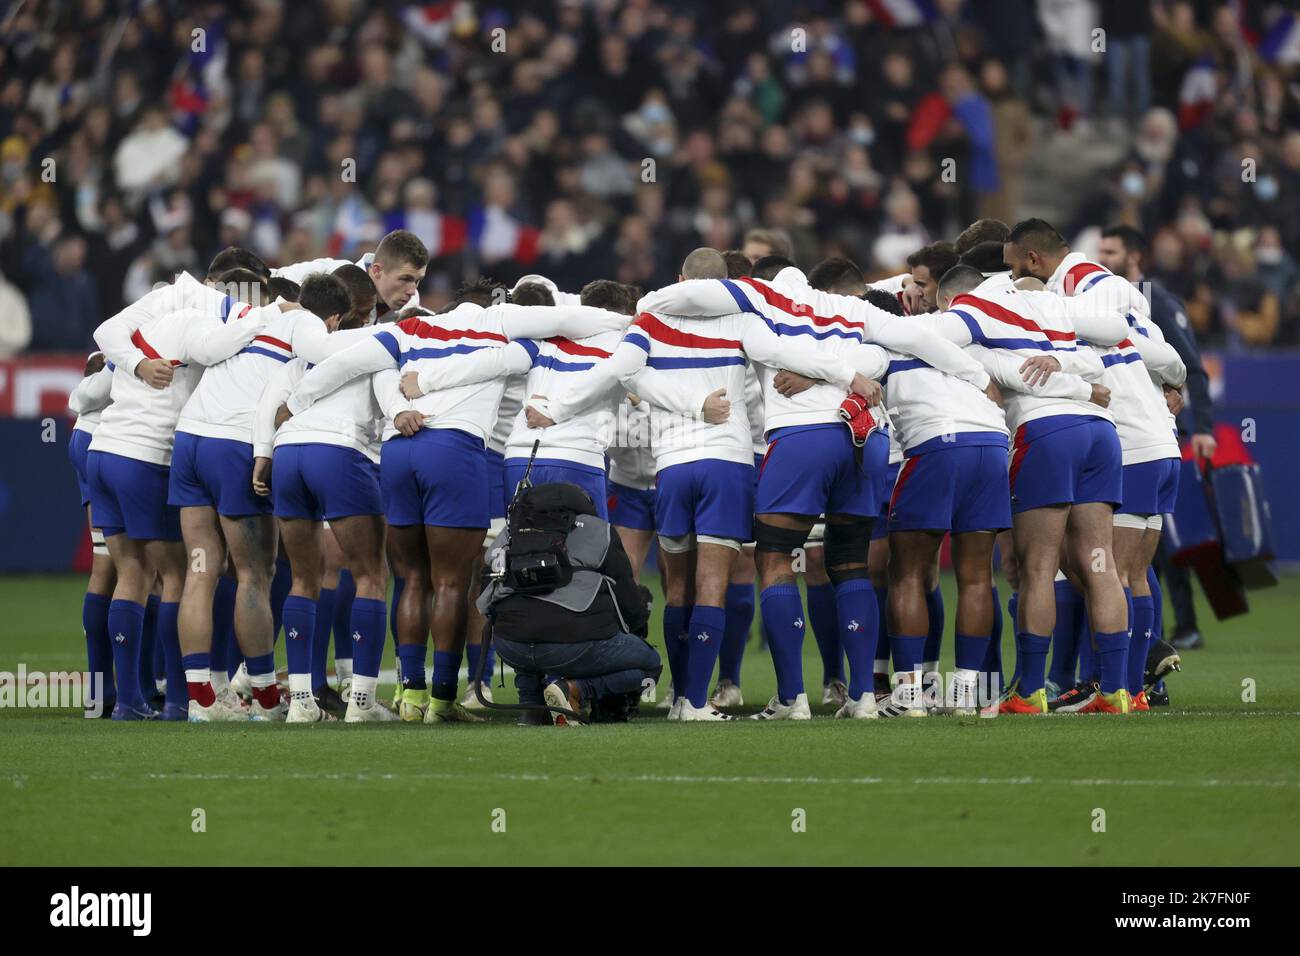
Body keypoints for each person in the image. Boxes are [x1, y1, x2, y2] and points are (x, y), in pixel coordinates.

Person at [478, 482, 659, 726]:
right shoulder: (598, 530)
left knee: (523, 615)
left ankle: (531, 707)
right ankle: (577, 689)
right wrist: (636, 630)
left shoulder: (510, 531)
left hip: (511, 646)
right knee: (650, 665)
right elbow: (629, 601)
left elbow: (485, 594)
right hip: (573, 646)